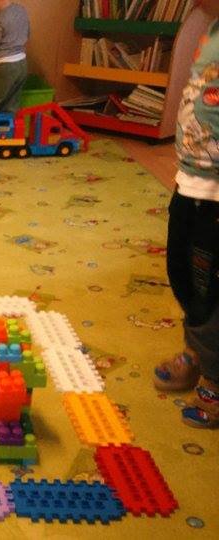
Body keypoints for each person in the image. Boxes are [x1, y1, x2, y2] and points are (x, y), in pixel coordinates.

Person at [153, 0, 219, 429]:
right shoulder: (211, 29)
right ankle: (197, 351)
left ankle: (214, 379)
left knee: (211, 289)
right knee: (182, 273)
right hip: (191, 179)